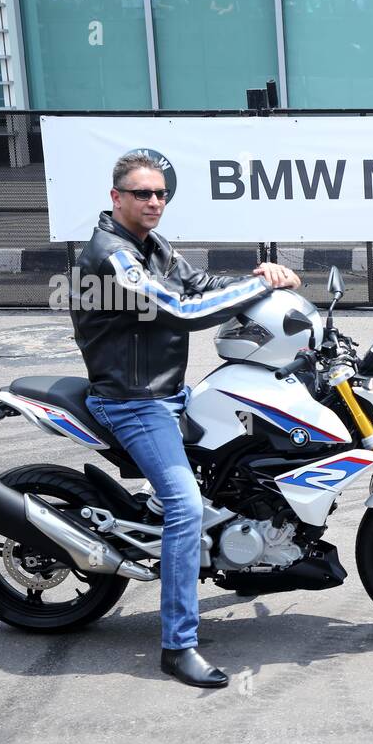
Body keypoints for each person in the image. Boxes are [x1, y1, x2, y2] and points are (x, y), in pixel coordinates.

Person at [72, 151, 302, 688]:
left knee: (245, 461)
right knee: (184, 506)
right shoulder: (112, 257)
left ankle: (251, 561)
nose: (154, 202)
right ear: (116, 198)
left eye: (160, 194)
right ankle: (178, 646)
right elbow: (182, 310)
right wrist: (260, 289)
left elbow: (196, 283)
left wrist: (256, 275)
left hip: (171, 392)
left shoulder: (152, 246)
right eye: (142, 194)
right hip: (133, 400)